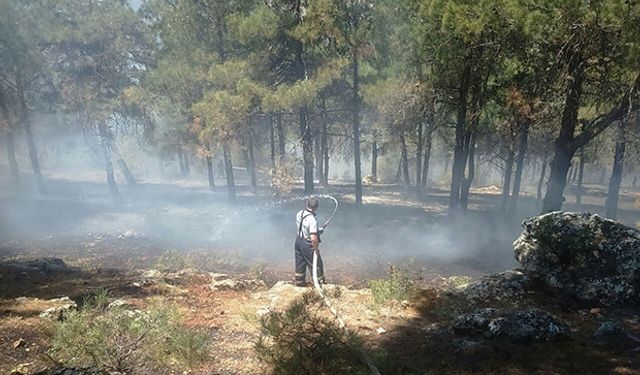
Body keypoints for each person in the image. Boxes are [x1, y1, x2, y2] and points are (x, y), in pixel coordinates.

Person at [294, 196, 324, 287]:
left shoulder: (299, 213)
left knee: (300, 262)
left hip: (298, 241)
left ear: (306, 204)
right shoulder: (312, 220)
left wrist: (318, 230)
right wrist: (315, 249)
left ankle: (299, 282)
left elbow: (304, 226)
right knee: (316, 264)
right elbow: (313, 237)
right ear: (316, 207)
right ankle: (319, 283)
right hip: (307, 244)